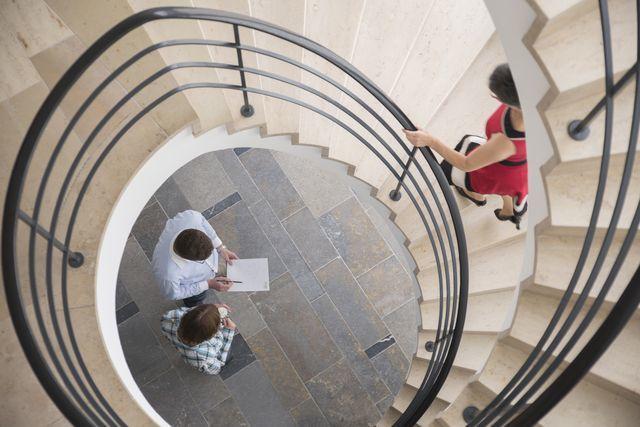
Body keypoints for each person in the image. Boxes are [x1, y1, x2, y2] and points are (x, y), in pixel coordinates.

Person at [403, 63, 527, 229]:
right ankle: (508, 208)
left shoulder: (506, 142)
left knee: (449, 171)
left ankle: (476, 196)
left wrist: (430, 141)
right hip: (515, 169)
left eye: (496, 96)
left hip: (496, 170)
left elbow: (466, 164)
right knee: (504, 184)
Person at [152, 210, 239, 307]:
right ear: (189, 259)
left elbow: (204, 224)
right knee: (196, 299)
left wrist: (220, 248)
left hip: (206, 273)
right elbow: (174, 294)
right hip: (196, 284)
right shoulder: (168, 275)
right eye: (202, 261)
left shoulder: (192, 217)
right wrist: (208, 284)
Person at [161, 303, 236, 375]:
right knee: (227, 355)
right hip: (214, 353)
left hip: (177, 341)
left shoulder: (169, 317)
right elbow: (217, 366)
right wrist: (228, 332)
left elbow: (188, 312)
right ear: (212, 335)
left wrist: (209, 310)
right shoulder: (204, 357)